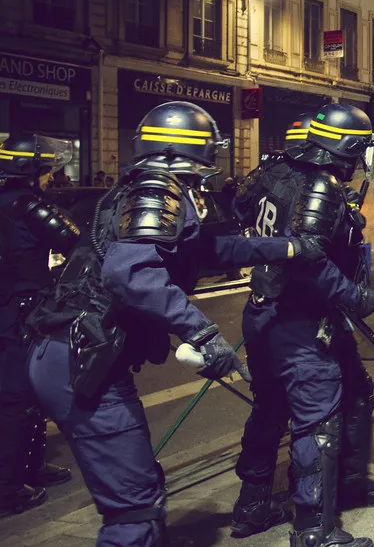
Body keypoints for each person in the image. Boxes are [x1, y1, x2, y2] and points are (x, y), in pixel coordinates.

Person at [23, 101, 320, 546]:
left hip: (75, 351)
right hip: (80, 358)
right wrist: (201, 331)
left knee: (141, 486)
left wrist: (288, 248)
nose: (205, 178)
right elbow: (131, 273)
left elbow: (205, 252)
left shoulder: (145, 186)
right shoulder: (157, 188)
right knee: (134, 509)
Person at [232, 104, 374, 547]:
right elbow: (309, 261)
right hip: (302, 318)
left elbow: (239, 209)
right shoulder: (320, 186)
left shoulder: (273, 172)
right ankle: (314, 527)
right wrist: (355, 296)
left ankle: (253, 504)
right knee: (316, 419)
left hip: (264, 308)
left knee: (272, 407)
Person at [0, 135, 79, 517]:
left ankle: (31, 467)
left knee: (27, 396)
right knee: (18, 398)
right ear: (32, 171)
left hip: (9, 309)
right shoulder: (29, 206)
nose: (51, 177)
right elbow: (76, 242)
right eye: (47, 170)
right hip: (21, 311)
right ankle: (8, 487)